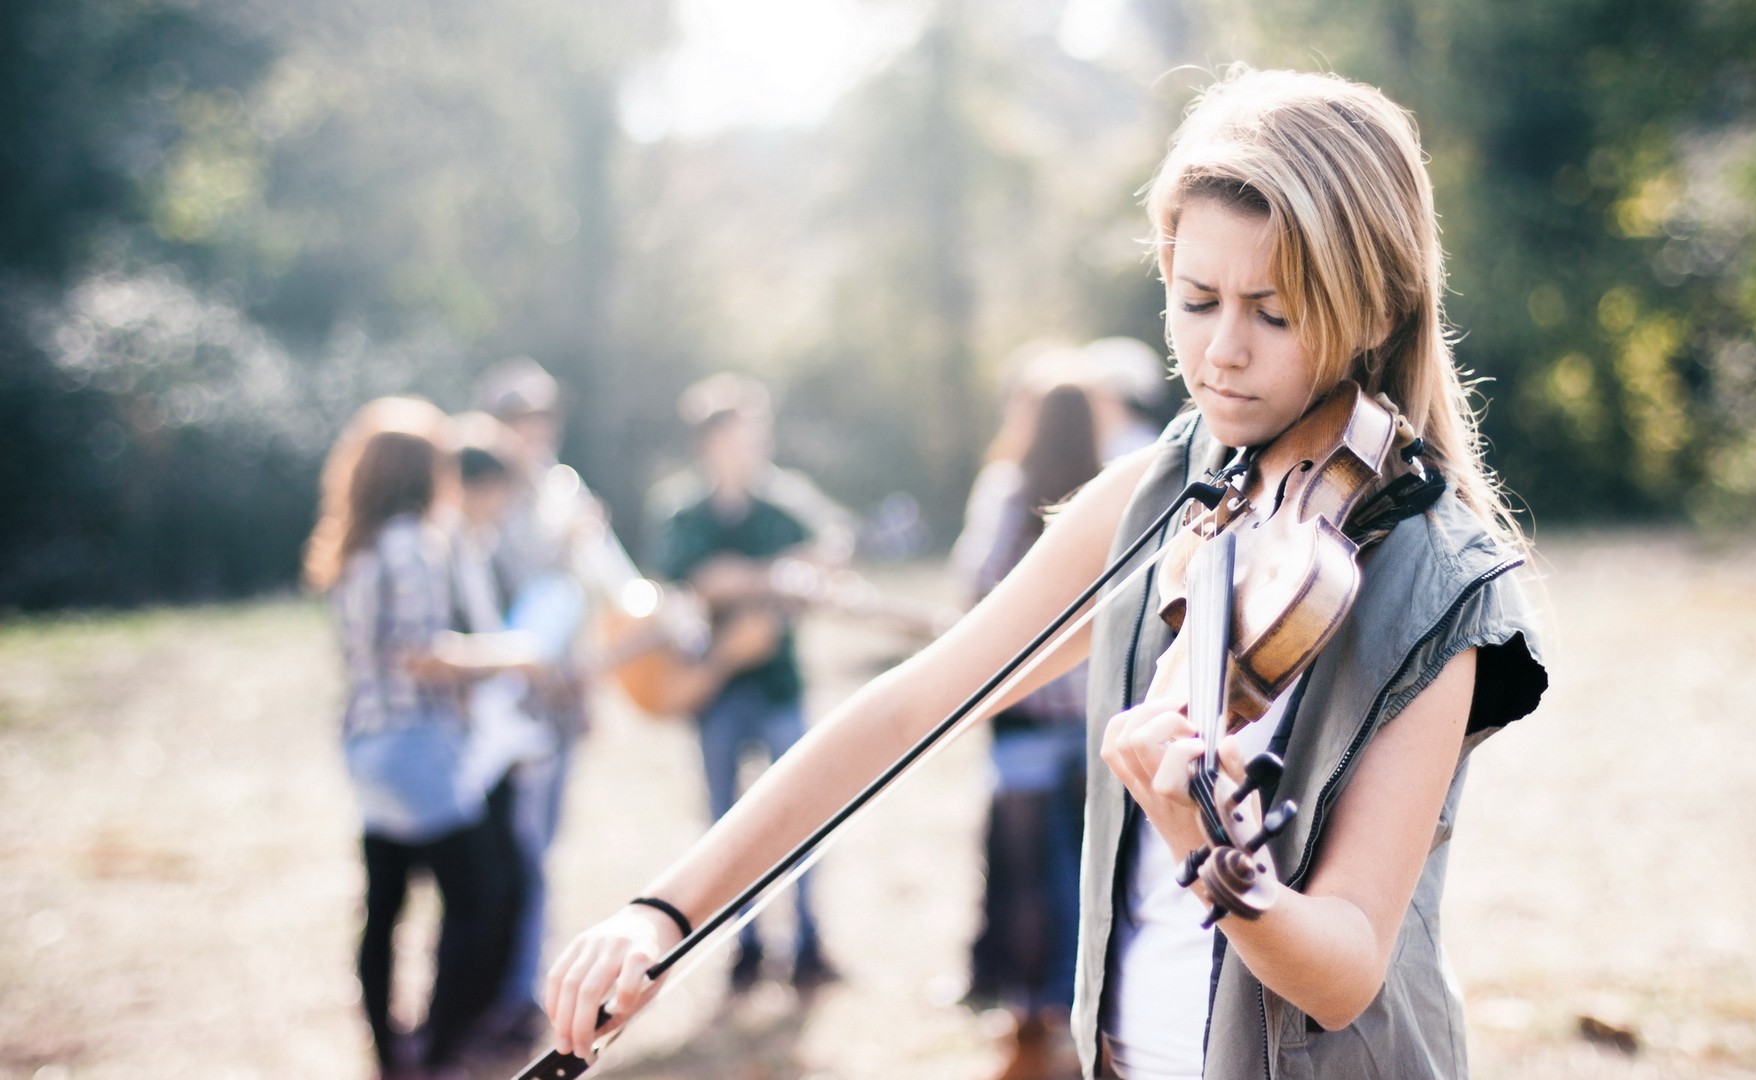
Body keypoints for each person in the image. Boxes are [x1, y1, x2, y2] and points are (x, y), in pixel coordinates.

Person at [543, 67, 1548, 1080]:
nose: (1222, 354)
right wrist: (663, 911)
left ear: (1374, 310)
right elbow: (910, 708)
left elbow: (1344, 969)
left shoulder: (1431, 579)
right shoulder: (1156, 497)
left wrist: (1209, 851)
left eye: (1273, 314)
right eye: (1196, 301)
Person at [304, 398, 546, 1078]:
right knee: (480, 895)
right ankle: (441, 1049)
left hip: (364, 744)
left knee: (384, 904)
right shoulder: (412, 542)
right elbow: (422, 653)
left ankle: (388, 1050)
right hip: (418, 747)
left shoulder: (352, 540)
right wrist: (512, 655)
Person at [650, 372, 855, 994]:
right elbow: (698, 580)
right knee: (724, 828)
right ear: (710, 441)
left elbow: (833, 547)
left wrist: (768, 576)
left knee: (803, 817)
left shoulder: (785, 502)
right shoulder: (683, 511)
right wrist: (770, 576)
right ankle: (743, 945)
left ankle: (809, 943)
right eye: (738, 435)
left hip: (778, 685)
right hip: (714, 691)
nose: (750, 446)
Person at [474, 359, 634, 1043]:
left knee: (536, 854)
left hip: (558, 704)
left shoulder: (564, 489)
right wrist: (557, 548)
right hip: (497, 705)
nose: (534, 432)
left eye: (542, 417)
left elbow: (597, 593)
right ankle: (490, 989)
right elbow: (508, 597)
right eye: (520, 418)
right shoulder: (485, 494)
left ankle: (520, 991)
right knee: (497, 857)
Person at [950, 380, 1105, 1079]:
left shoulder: (1010, 495)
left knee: (1023, 884)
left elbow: (975, 585)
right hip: (1094, 725)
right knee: (1086, 883)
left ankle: (1029, 1022)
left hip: (1024, 725)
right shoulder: (1110, 493)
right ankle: (1083, 1024)